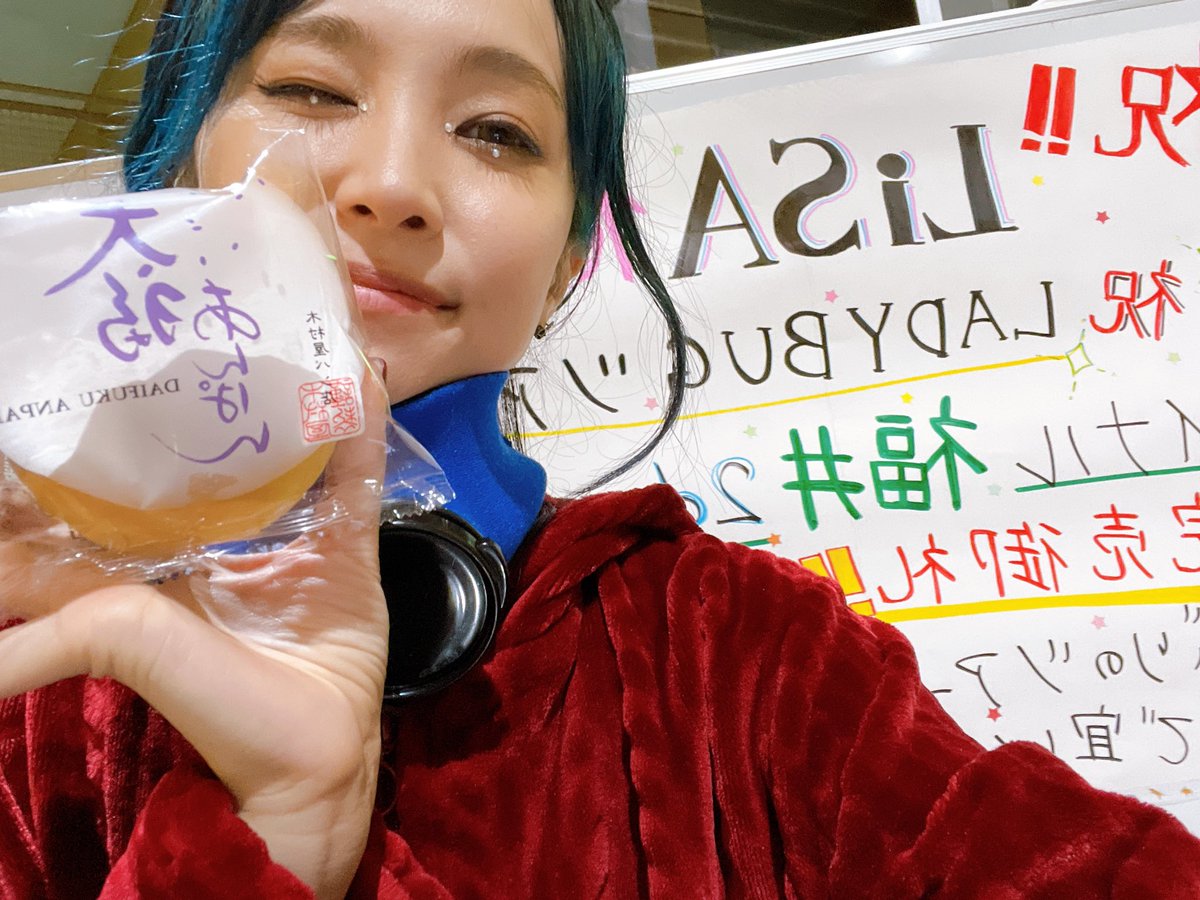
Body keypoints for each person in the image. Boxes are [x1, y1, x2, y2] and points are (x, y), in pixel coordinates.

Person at [1, 1, 1199, 897]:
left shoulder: (745, 650)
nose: (394, 184)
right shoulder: (40, 660)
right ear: (171, 166)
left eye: (496, 131)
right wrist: (271, 834)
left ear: (570, 258)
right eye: (313, 91)